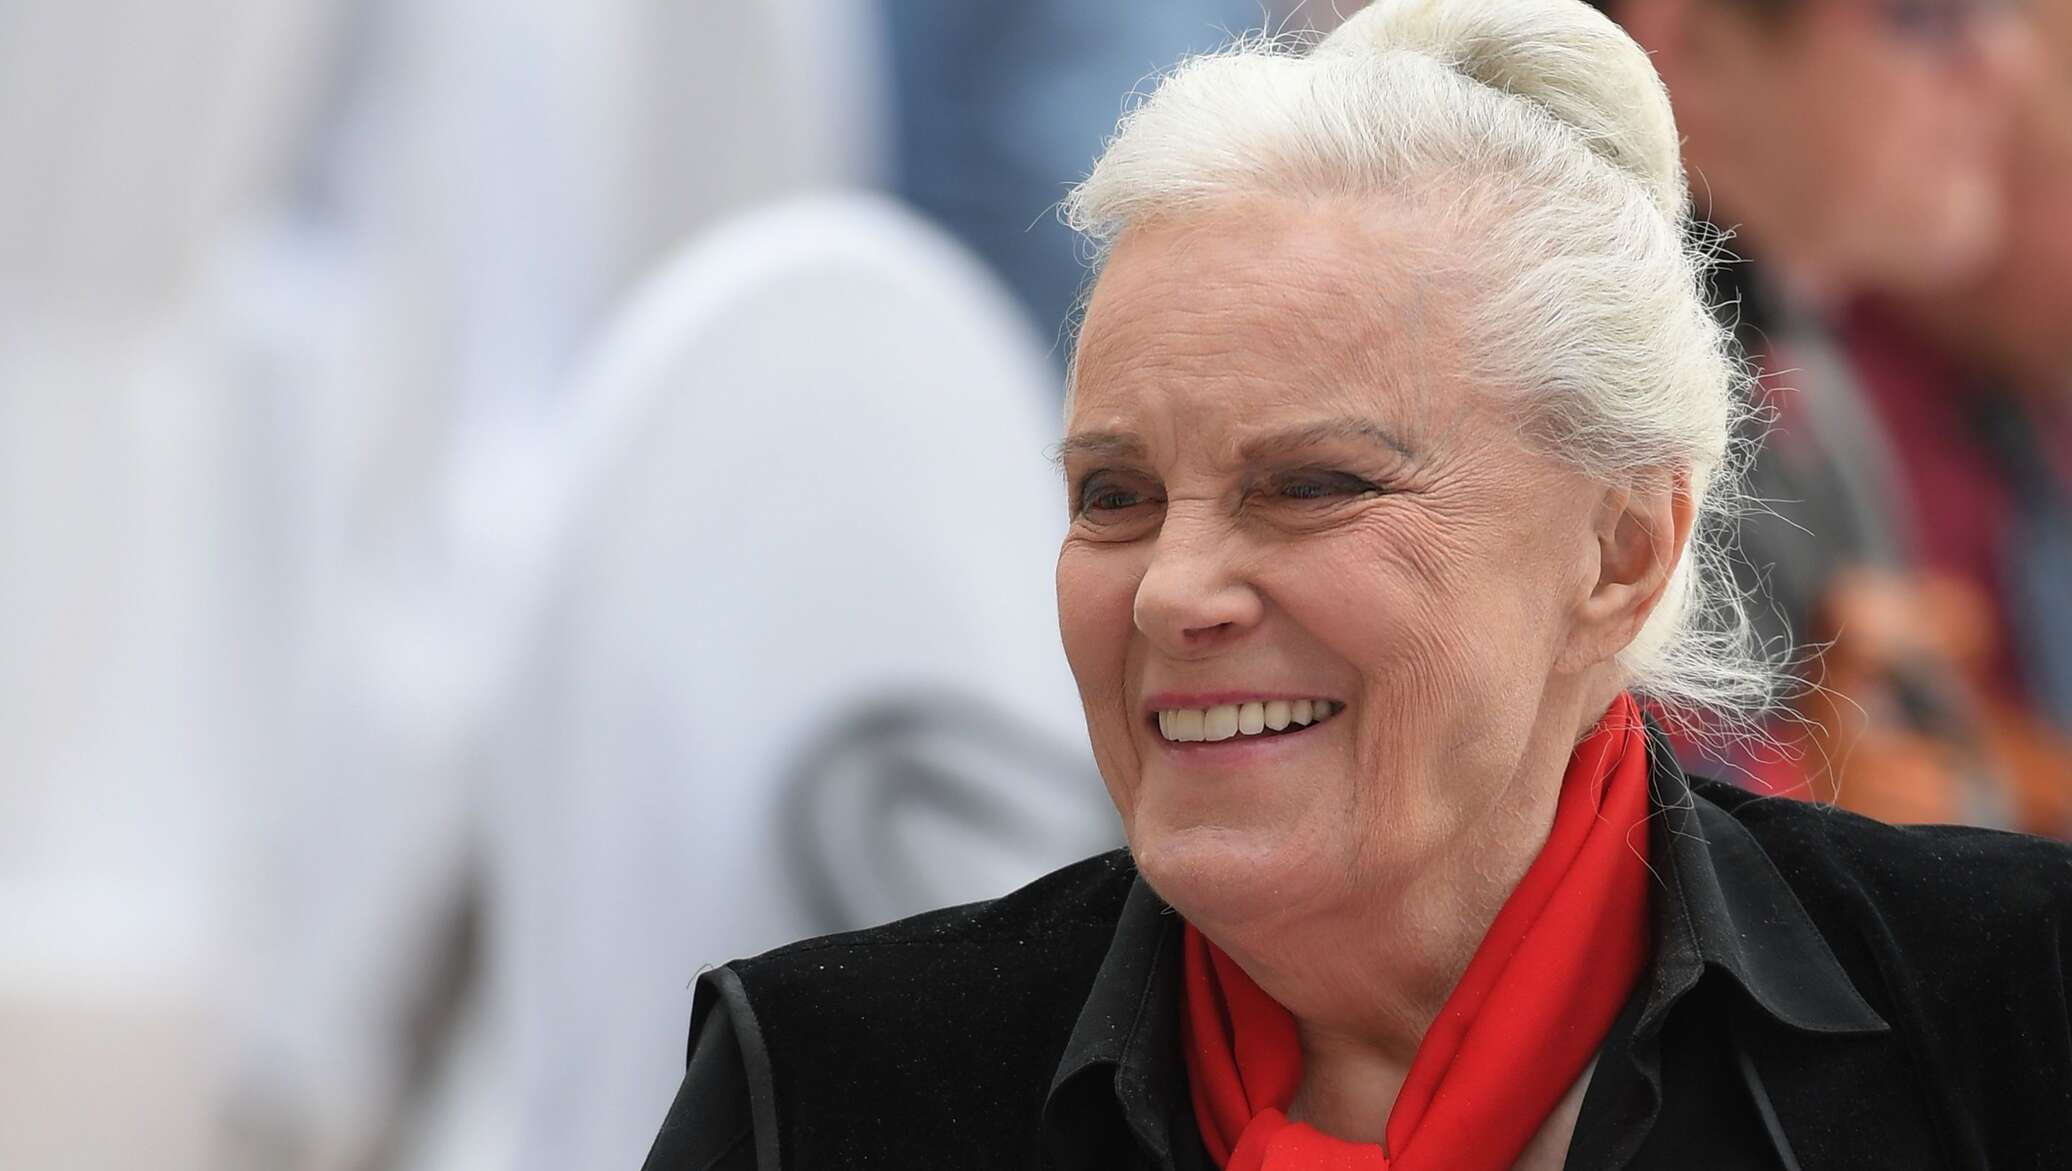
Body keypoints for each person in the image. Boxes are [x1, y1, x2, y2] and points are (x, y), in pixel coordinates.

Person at [643, 2, 2072, 1167]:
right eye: (1115, 497)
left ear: (1620, 551)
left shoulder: (2010, 1011)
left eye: (1312, 486)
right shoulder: (830, 1093)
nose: (1172, 593)